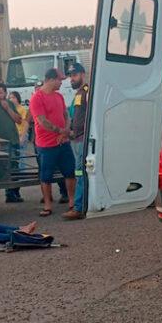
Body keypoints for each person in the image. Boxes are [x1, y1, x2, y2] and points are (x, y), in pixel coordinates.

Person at [29, 68, 76, 217]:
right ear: (50, 79)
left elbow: (66, 115)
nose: (61, 83)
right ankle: (48, 204)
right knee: (46, 176)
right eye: (59, 80)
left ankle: (72, 201)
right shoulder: (37, 98)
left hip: (63, 142)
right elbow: (42, 121)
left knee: (70, 172)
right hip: (46, 144)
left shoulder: (59, 97)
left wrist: (66, 130)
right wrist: (61, 131)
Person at [28, 83, 69, 205]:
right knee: (45, 172)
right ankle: (47, 198)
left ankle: (65, 193)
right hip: (42, 142)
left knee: (64, 170)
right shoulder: (35, 101)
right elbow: (30, 120)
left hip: (59, 140)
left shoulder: (56, 97)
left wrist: (64, 131)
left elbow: (65, 116)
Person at [0, 82, 24, 203]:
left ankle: (16, 192)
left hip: (14, 139)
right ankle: (9, 194)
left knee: (15, 166)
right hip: (3, 142)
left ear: (5, 93)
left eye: (0, 93)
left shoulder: (10, 103)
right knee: (7, 167)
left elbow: (19, 120)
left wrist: (7, 108)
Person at [63, 62, 89, 220]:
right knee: (79, 172)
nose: (71, 79)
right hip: (77, 139)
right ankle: (81, 204)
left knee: (80, 172)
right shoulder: (79, 93)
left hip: (82, 140)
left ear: (82, 74)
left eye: (74, 75)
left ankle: (79, 207)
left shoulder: (86, 92)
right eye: (70, 76)